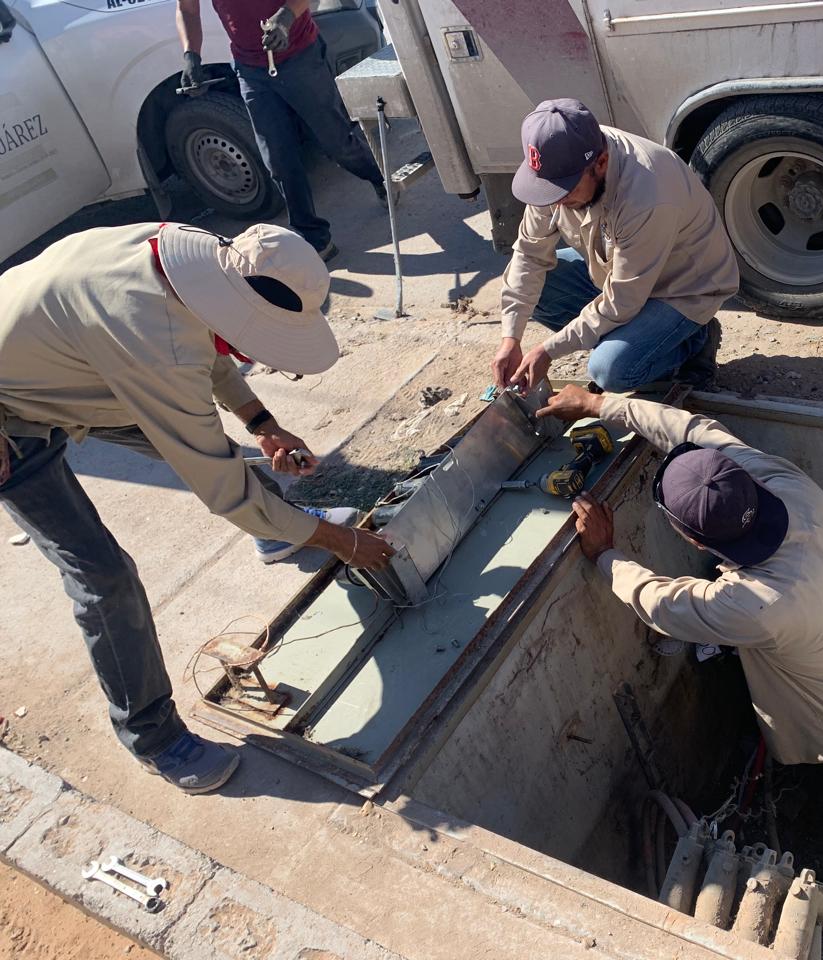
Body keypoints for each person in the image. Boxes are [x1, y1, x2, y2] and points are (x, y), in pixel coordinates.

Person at [538, 384, 823, 960]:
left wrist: (606, 555)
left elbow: (662, 603)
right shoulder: (785, 487)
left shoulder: (761, 603)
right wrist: (601, 404)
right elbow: (694, 430)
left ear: (693, 538)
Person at [0, 222, 397, 794]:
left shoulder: (193, 266)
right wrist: (341, 541)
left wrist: (261, 423)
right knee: (103, 577)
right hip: (12, 421)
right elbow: (222, 485)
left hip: (71, 368)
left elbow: (200, 340)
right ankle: (152, 736)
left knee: (210, 447)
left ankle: (278, 532)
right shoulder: (151, 341)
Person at [493, 99, 739, 395]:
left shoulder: (647, 193)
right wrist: (511, 338)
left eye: (564, 192)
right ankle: (636, 338)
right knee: (540, 287)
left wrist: (547, 351)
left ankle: (694, 341)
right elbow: (529, 256)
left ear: (601, 163)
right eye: (547, 191)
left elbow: (623, 300)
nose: (554, 202)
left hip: (681, 288)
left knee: (610, 370)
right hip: (618, 272)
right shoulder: (559, 165)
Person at [176, 0, 388, 261]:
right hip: (250, 69)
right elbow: (187, 9)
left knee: (335, 141)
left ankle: (380, 179)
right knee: (277, 158)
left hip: (300, 55)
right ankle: (313, 237)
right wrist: (191, 56)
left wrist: (286, 16)